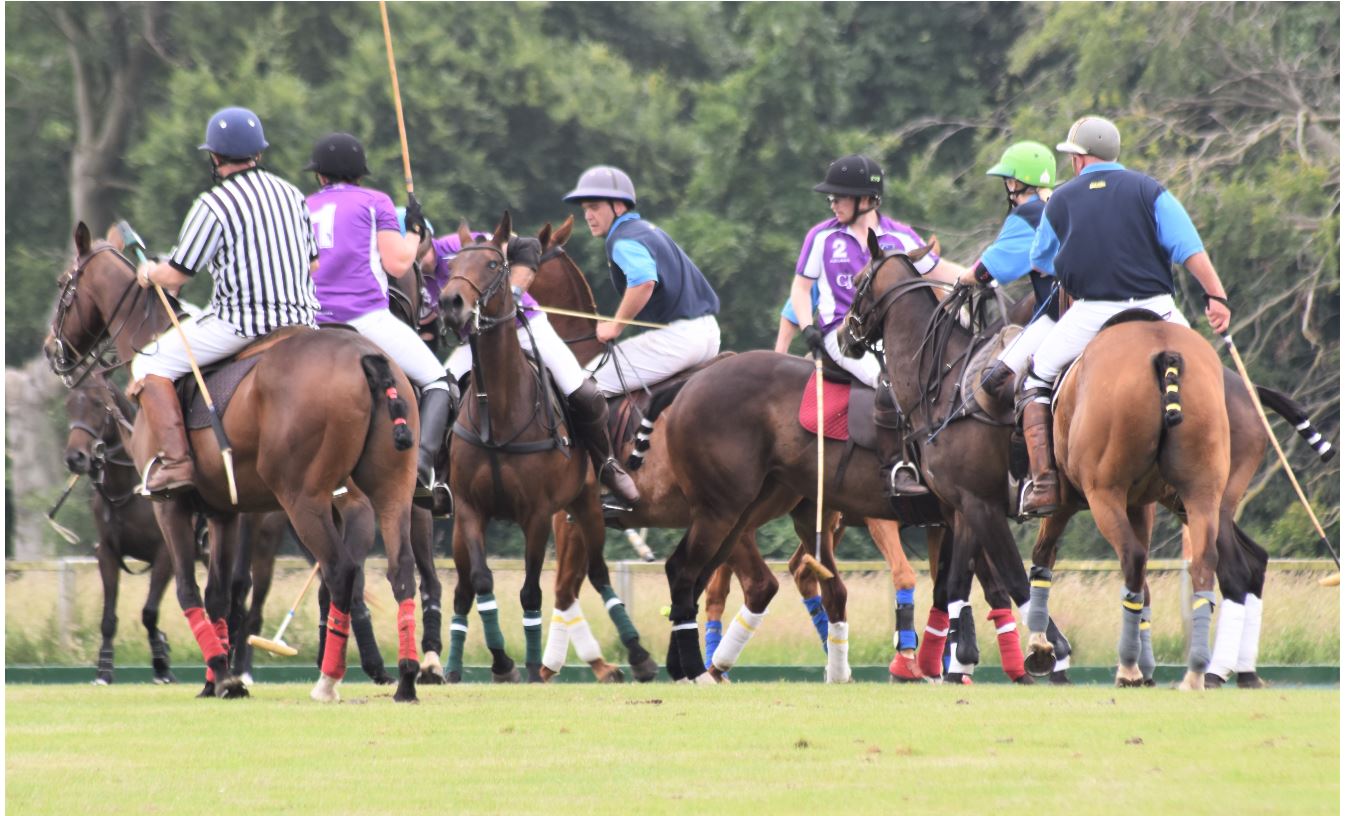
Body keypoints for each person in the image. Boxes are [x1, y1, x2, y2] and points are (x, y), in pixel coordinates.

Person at [1017, 115, 1232, 516]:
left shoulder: (1060, 200)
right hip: (1158, 308)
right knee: (1208, 373)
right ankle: (1212, 471)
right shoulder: (1150, 190)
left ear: (1080, 159)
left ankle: (1044, 481)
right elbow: (1189, 248)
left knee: (1038, 375)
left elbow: (1040, 261)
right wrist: (1216, 296)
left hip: (1093, 311)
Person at [130, 107, 321, 498]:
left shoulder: (213, 204)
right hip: (303, 321)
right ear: (259, 153)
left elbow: (179, 274)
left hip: (241, 324)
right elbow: (313, 262)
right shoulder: (293, 195)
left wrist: (149, 271)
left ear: (215, 157)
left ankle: (177, 462)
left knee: (148, 361)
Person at [791, 154, 965, 498]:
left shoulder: (899, 237)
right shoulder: (822, 237)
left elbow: (938, 270)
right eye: (832, 197)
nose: (833, 203)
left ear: (866, 200)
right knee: (890, 382)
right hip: (844, 335)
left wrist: (982, 275)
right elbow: (800, 287)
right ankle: (895, 469)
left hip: (895, 338)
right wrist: (807, 327)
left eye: (839, 197)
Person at [303, 132, 456, 506]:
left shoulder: (302, 206)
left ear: (320, 176)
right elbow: (398, 263)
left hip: (309, 323)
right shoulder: (376, 202)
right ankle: (422, 466)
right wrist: (415, 232)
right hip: (365, 318)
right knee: (439, 382)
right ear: (360, 174)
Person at [441, 235, 641, 507]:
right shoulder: (409, 273)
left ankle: (606, 465)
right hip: (477, 340)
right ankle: (441, 477)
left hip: (526, 327)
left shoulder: (466, 245)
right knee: (438, 393)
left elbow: (529, 246)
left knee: (583, 393)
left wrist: (514, 291)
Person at [561, 165, 721, 397]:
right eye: (585, 209)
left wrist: (615, 326)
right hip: (709, 335)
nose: (587, 216)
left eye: (594, 207)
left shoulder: (622, 240)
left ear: (618, 206)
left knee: (584, 387)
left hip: (678, 340)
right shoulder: (645, 230)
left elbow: (644, 281)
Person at [955, 141, 1060, 401]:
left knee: (993, 379)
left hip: (1059, 315)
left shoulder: (1027, 215)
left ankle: (1027, 442)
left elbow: (986, 271)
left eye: (1008, 180)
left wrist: (963, 279)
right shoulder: (1061, 205)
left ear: (1014, 183)